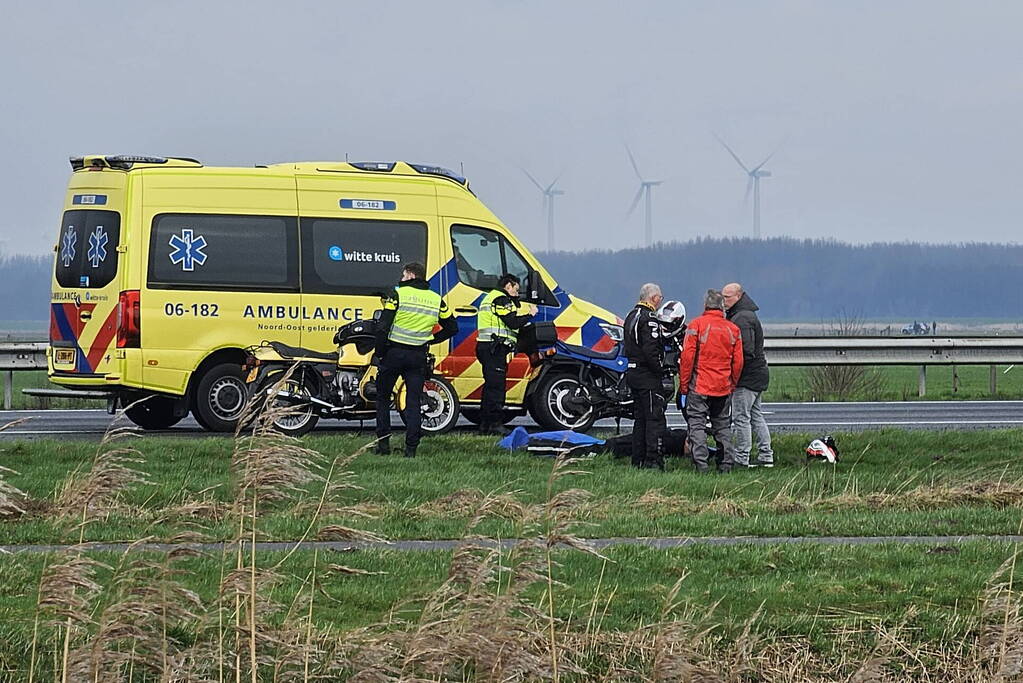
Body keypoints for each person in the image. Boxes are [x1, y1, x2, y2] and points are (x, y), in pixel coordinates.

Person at [375, 262, 458, 457]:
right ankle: (411, 449)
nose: (401, 279)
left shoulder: (398, 295)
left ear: (411, 275)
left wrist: (379, 353)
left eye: (404, 275)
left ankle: (383, 446)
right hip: (418, 355)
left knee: (382, 398)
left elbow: (382, 327)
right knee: (413, 401)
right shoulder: (436, 299)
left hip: (394, 353)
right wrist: (430, 339)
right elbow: (452, 328)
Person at [678, 289, 744, 473]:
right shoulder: (733, 329)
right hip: (723, 386)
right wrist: (732, 382)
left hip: (700, 386)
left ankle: (701, 464)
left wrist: (684, 385)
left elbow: (687, 358)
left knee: (697, 425)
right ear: (722, 306)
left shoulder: (696, 325)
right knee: (722, 426)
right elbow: (738, 362)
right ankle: (725, 464)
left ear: (705, 305)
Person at [475, 273, 537, 435]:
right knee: (496, 387)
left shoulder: (491, 298)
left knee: (490, 387)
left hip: (488, 347)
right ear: (508, 286)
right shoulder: (501, 299)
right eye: (516, 290)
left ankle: (485, 425)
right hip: (494, 348)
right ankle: (495, 424)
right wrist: (530, 314)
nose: (517, 294)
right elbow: (512, 322)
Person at [722, 282, 774, 468]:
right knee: (755, 415)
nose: (724, 301)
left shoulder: (742, 318)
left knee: (741, 417)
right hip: (757, 373)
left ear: (738, 296)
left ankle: (742, 457)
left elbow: (745, 350)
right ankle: (766, 455)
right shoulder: (744, 314)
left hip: (747, 376)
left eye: (727, 297)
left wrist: (734, 373)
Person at [623, 283, 668, 470]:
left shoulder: (631, 315)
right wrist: (661, 370)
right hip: (647, 376)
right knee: (654, 419)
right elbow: (651, 350)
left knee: (640, 419)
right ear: (653, 298)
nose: (660, 302)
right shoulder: (649, 318)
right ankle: (653, 461)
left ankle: (638, 459)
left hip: (632, 373)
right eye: (660, 298)